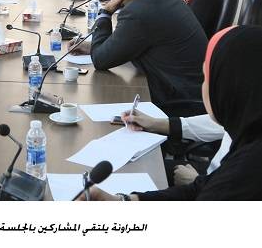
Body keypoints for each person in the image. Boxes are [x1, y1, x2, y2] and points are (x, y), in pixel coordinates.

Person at [82, 25, 262, 200]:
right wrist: (124, 201)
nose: (203, 86)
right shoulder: (247, 128)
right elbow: (203, 186)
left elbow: (209, 189)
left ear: (228, 89)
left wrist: (199, 181)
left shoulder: (243, 175)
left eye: (207, 78)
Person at [89, 0, 208, 117]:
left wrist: (105, 13)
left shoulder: (140, 12)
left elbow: (100, 60)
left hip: (181, 104)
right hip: (194, 92)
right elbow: (130, 43)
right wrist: (96, 44)